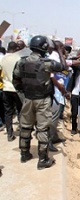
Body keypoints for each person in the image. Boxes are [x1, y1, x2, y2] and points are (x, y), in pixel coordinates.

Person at [13, 35, 67, 170]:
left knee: (25, 126)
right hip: (42, 99)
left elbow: (16, 80)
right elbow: (64, 67)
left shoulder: (22, 62)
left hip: (28, 98)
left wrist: (24, 93)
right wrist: (59, 50)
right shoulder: (46, 63)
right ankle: (43, 159)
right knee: (43, 128)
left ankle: (24, 154)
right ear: (43, 47)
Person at [0, 41, 23, 141]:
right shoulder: (18, 58)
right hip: (17, 89)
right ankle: (23, 132)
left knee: (8, 112)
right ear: (16, 48)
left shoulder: (2, 59)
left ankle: (10, 134)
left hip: (6, 88)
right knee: (21, 111)